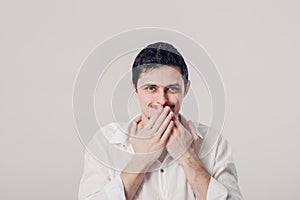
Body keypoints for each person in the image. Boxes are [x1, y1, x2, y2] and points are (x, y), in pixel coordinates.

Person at [78, 42, 242, 200]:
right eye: (151, 88)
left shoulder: (214, 143)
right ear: (135, 90)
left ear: (186, 89)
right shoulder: (104, 143)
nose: (162, 100)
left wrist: (187, 156)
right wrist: (141, 160)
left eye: (172, 88)